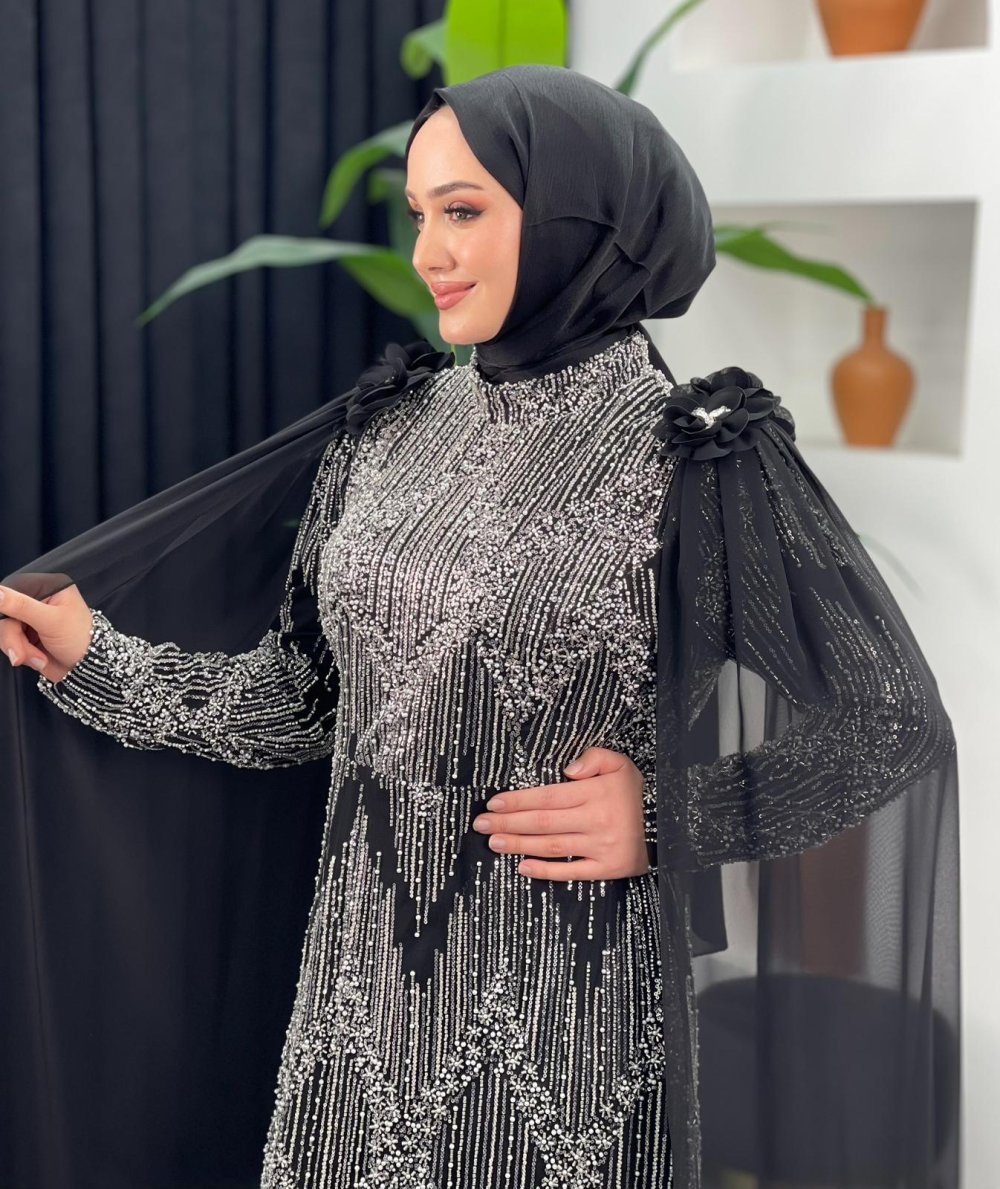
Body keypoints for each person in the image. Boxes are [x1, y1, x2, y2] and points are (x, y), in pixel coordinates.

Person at [0, 65, 959, 1189]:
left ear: (576, 218)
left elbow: (889, 720)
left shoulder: (697, 456)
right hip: (355, 1015)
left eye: (462, 211)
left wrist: (663, 815)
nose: (427, 253)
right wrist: (99, 661)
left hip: (562, 1030)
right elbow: (309, 704)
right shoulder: (387, 428)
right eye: (419, 215)